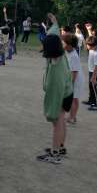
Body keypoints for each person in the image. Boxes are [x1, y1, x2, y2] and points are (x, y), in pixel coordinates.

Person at [36, 34, 73, 165]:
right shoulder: (60, 53)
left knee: (57, 122)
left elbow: (56, 93)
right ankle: (60, 147)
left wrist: (52, 111)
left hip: (62, 95)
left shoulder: (57, 69)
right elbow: (56, 37)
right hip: (67, 93)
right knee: (61, 121)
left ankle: (55, 153)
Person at [62, 33, 84, 125]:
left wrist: (70, 84)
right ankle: (73, 116)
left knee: (74, 99)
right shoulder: (67, 52)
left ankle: (71, 117)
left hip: (75, 80)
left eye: (63, 43)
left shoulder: (74, 56)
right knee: (73, 99)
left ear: (70, 45)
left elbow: (74, 72)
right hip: (70, 78)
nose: (62, 44)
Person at [83, 36, 97, 111]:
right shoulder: (95, 45)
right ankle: (91, 101)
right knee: (90, 85)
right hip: (92, 70)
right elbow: (92, 37)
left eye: (88, 45)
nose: (87, 46)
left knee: (93, 86)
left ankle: (95, 104)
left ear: (93, 46)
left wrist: (94, 77)